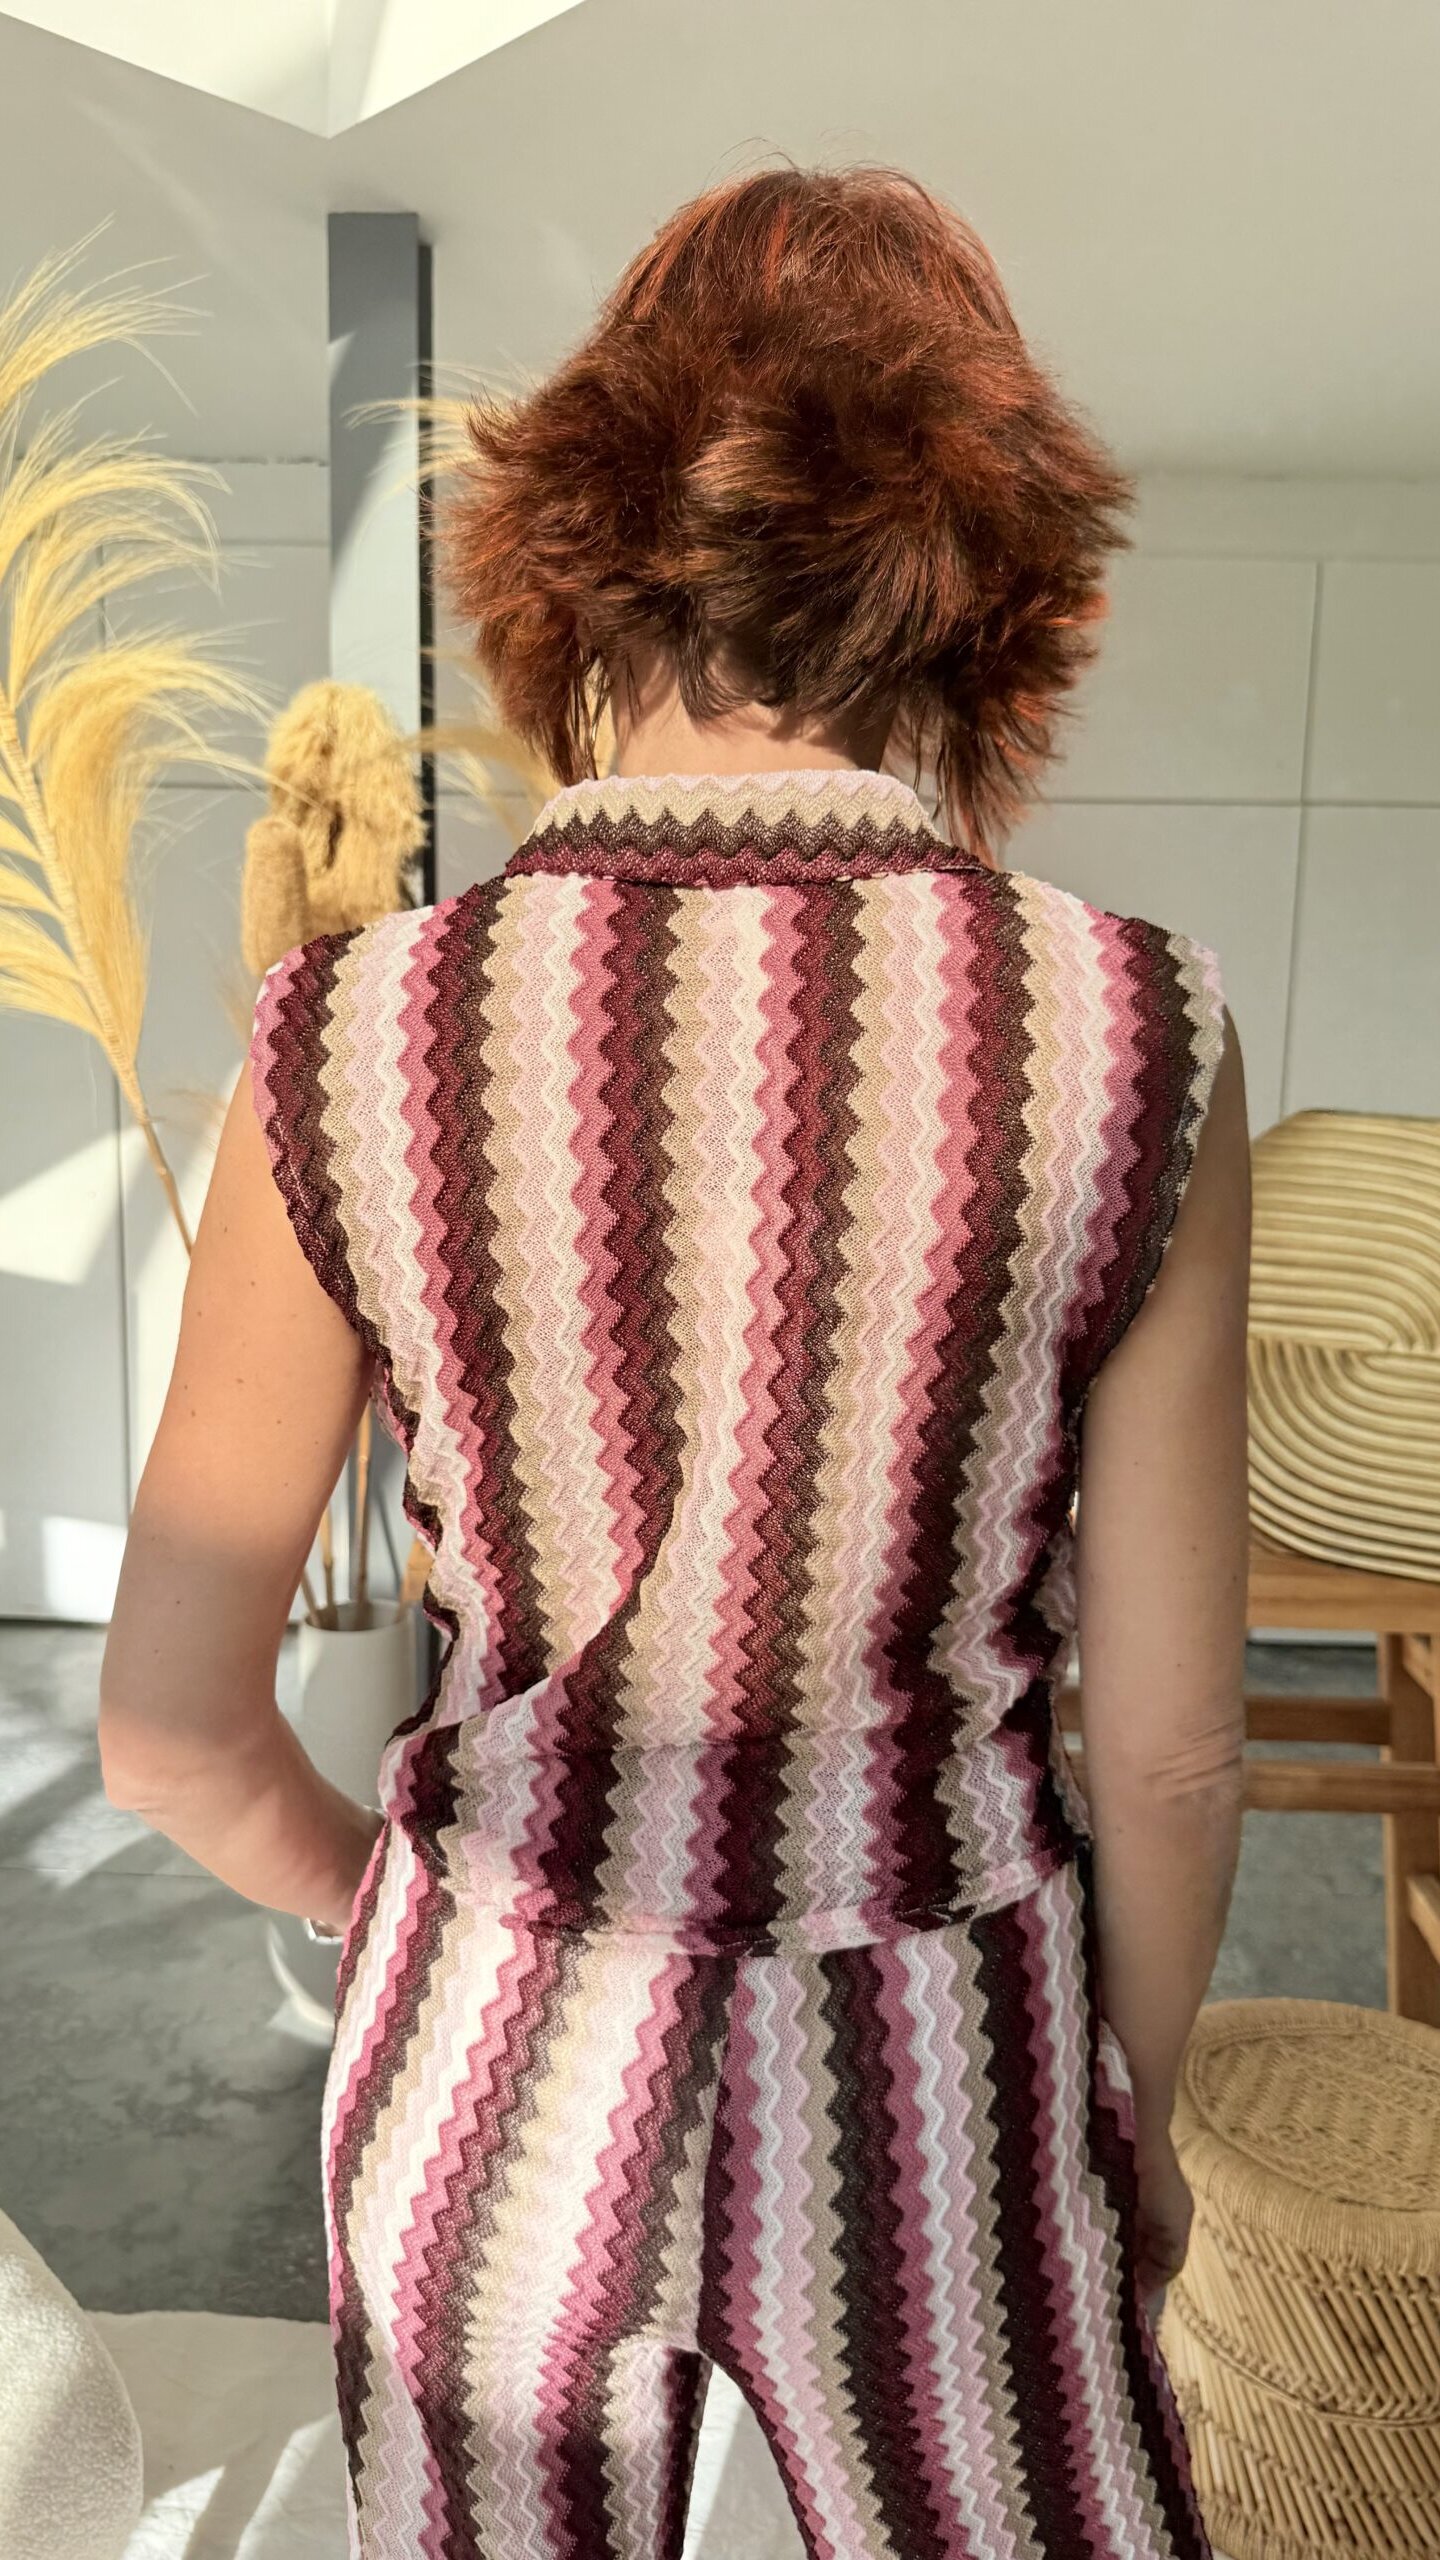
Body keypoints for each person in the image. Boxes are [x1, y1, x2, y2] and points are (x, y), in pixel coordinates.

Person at [99, 164, 1249, 2560]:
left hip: (495, 2048)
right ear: (986, 582)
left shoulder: (352, 1032)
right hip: (946, 2044)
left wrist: (413, 1930)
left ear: (580, 553)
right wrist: (1124, 2113)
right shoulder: (1130, 1023)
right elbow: (1168, 1741)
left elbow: (173, 1729)